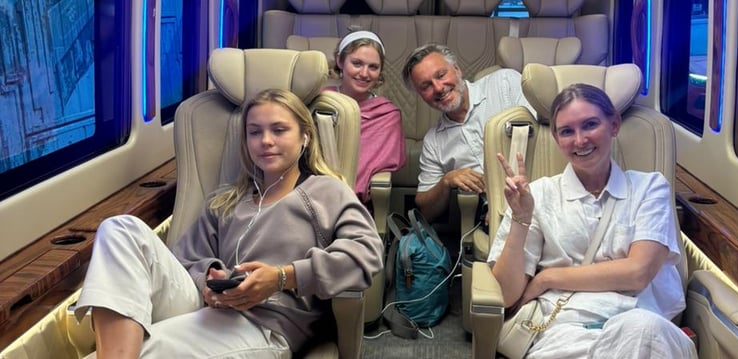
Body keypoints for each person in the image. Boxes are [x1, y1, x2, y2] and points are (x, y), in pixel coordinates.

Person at [74, 88, 384, 358]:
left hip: (265, 325)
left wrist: (281, 277)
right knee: (119, 228)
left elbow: (367, 254)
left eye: (279, 130)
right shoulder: (227, 201)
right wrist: (209, 281)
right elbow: (186, 259)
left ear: (305, 136)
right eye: (254, 132)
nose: (266, 141)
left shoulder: (325, 191)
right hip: (207, 307)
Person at [487, 83, 696, 358]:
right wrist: (521, 219)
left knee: (643, 329)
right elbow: (505, 295)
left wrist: (547, 278)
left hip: (640, 329)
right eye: (566, 131)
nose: (580, 140)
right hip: (564, 333)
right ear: (557, 139)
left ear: (614, 125)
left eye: (590, 125)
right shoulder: (538, 195)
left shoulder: (649, 188)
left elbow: (638, 272)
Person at [401, 43, 535, 222]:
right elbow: (426, 211)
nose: (438, 88)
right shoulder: (433, 141)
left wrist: (507, 203)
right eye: (426, 86)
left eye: (441, 75)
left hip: (539, 195)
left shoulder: (504, 83)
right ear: (420, 96)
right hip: (493, 219)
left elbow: (542, 139)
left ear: (457, 69)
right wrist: (446, 181)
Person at [324, 30, 405, 204]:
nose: (364, 73)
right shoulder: (319, 101)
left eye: (373, 67)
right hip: (308, 197)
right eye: (357, 63)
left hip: (353, 204)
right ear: (340, 61)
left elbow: (369, 165)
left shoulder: (387, 115)